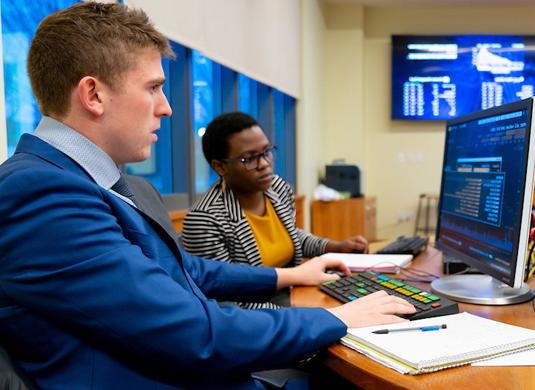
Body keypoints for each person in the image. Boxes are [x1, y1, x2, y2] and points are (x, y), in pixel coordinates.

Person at [0, 3, 415, 389]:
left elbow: (184, 271)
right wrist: (333, 318)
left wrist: (290, 275)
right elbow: (192, 333)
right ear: (93, 95)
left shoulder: (88, 180)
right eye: (153, 88)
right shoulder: (41, 192)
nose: (167, 108)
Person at [183, 112, 369, 308]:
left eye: (266, 151)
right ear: (220, 167)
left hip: (296, 292)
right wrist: (303, 317)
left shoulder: (277, 187)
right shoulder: (205, 219)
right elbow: (228, 303)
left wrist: (334, 247)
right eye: (249, 159)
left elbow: (289, 235)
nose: (264, 164)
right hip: (256, 311)